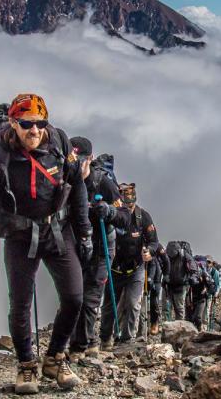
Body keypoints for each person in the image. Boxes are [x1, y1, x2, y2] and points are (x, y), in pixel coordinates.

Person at [0, 94, 92, 394]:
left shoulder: (60, 143)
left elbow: (76, 184)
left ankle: (55, 358)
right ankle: (27, 365)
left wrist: (85, 231)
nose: (35, 131)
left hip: (57, 230)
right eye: (27, 124)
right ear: (13, 123)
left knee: (75, 297)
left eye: (40, 124)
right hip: (18, 235)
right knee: (21, 304)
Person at [68, 137, 130, 363]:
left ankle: (80, 346)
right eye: (72, 158)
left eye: (81, 159)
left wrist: (109, 212)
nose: (77, 163)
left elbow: (125, 217)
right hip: (74, 245)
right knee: (72, 296)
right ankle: (88, 341)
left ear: (90, 158)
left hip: (102, 246)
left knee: (90, 297)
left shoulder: (103, 183)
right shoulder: (65, 179)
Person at [99, 183, 158, 349]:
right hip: (114, 269)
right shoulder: (113, 214)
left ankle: (127, 340)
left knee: (133, 304)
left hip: (136, 269)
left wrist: (150, 252)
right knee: (110, 305)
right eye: (125, 203)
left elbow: (154, 241)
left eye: (131, 204)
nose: (128, 207)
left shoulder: (143, 217)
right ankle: (105, 339)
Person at [164, 240, 198, 321]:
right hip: (169, 285)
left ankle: (179, 327)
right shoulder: (166, 255)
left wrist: (193, 278)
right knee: (167, 308)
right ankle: (167, 327)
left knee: (179, 308)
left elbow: (194, 269)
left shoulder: (185, 256)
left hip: (181, 285)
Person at [146, 243, 170, 335]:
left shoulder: (158, 246)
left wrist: (166, 275)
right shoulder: (140, 242)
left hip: (156, 278)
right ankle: (140, 328)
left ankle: (154, 324)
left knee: (153, 301)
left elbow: (166, 261)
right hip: (142, 275)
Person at [187, 255, 216, 331]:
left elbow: (212, 286)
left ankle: (199, 331)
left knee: (198, 317)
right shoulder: (189, 273)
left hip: (201, 298)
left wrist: (208, 291)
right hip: (191, 299)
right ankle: (193, 333)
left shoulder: (204, 273)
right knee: (190, 318)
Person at [205, 256, 220, 329]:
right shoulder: (202, 269)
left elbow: (217, 284)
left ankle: (206, 327)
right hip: (201, 294)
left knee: (207, 311)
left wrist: (216, 293)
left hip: (210, 293)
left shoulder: (215, 272)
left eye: (209, 262)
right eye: (206, 262)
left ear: (211, 263)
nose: (207, 264)